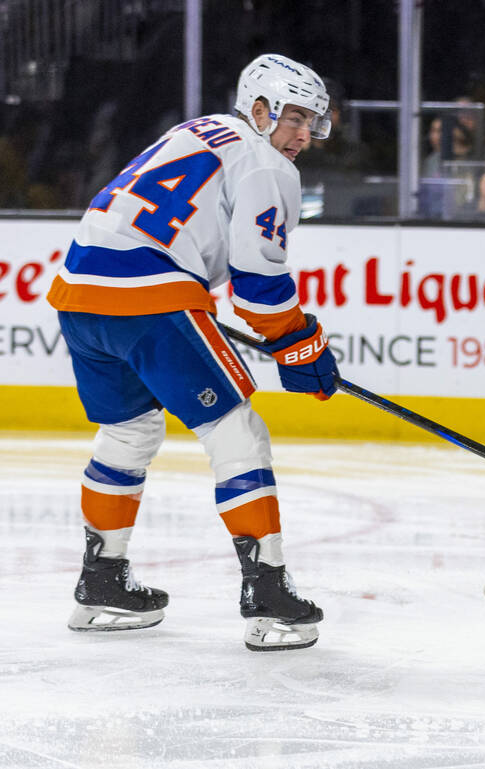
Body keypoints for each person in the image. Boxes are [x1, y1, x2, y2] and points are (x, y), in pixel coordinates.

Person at [46, 54, 337, 651]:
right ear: (259, 110)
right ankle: (269, 595)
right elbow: (258, 288)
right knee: (237, 433)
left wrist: (294, 344)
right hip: (148, 295)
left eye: (315, 122)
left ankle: (101, 584)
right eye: (296, 119)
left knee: (128, 433)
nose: (304, 135)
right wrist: (301, 343)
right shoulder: (266, 163)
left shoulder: (200, 129)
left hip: (77, 291)